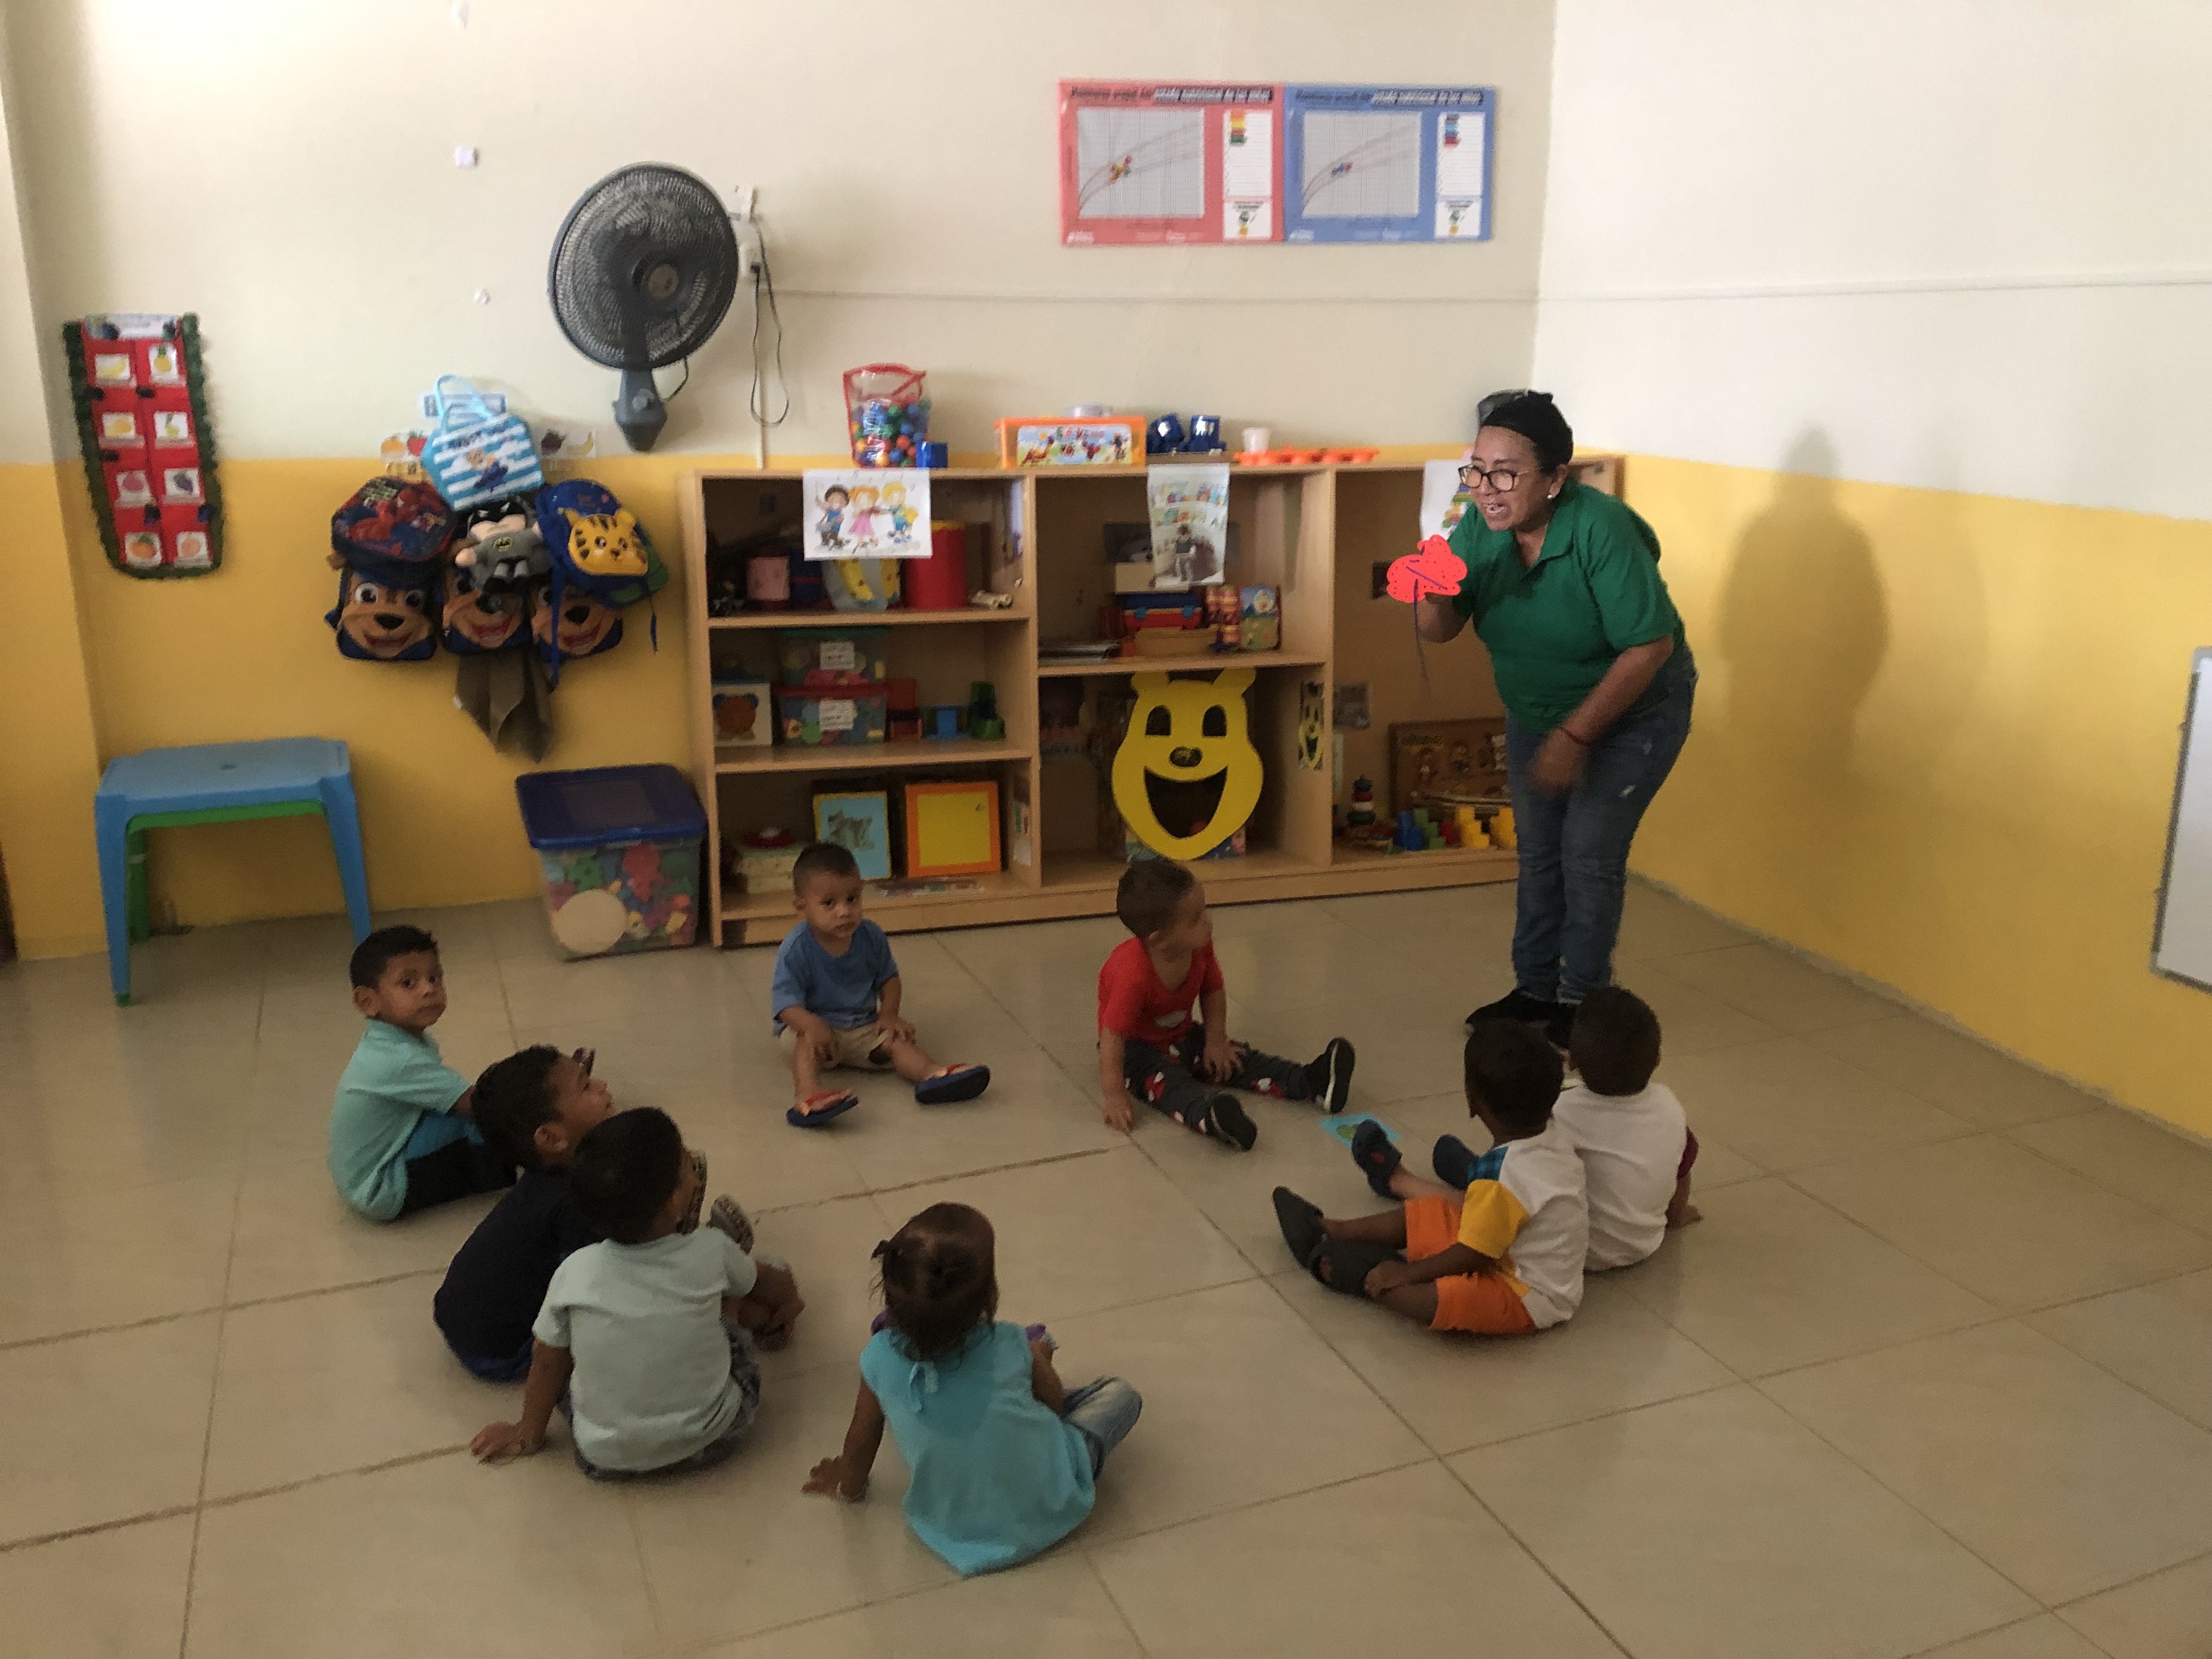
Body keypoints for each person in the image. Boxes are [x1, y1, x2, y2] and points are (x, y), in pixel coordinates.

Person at [1413, 391, 1697, 1049]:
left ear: (1555, 478)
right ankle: (1535, 990)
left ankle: (1582, 1002)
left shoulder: (1602, 528)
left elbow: (1648, 647)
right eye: (1476, 470)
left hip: (1635, 710)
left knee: (1588, 855)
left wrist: (1575, 736)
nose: (1485, 488)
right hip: (1537, 709)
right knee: (1540, 853)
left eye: (1505, 473)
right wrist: (1428, 590)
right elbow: (1440, 629)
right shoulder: (1477, 526)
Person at [802, 1203, 1141, 1576]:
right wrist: (1037, 1359)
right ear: (990, 1297)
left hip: (953, 1532)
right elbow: (1054, 1402)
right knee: (1120, 1394)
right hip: (1054, 1499)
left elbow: (863, 1437)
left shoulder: (877, 1358)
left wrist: (847, 1488)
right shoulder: (1010, 1342)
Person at [470, 1107, 804, 1480]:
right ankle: (738, 1301)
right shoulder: (711, 1249)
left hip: (603, 1457)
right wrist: (789, 1302)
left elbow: (547, 1359)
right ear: (674, 1202)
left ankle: (721, 1298)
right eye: (687, 1164)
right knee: (736, 1290)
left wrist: (527, 1434)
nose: (694, 1166)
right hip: (716, 1436)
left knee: (570, 1355)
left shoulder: (574, 1272)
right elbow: (768, 1283)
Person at [433, 1045, 747, 1380]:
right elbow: (605, 1289)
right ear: (552, 1138)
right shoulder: (581, 1203)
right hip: (505, 1349)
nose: (601, 1086)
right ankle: (690, 1244)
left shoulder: (547, 1178)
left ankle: (682, 1234)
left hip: (459, 1315)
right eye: (585, 1086)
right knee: (660, 1306)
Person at [1272, 1021, 1587, 1336]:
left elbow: (1474, 1254)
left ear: (1471, 1100)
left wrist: (1410, 1273)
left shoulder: (1500, 1178)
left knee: (1445, 1300)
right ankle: (1335, 1230)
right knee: (1432, 1211)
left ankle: (1362, 1274)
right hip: (1508, 1252)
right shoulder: (1553, 1137)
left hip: (1528, 1296)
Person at [1096, 859, 1355, 1149]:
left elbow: (1213, 991)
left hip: (1181, 1035)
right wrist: (1114, 1094)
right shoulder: (1132, 974)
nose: (1208, 922)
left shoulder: (1198, 946)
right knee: (1169, 1085)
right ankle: (1211, 1118)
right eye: (1196, 920)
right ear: (1160, 941)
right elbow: (1112, 1035)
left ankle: (1312, 1081)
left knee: (1236, 1058)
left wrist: (1215, 1041)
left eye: (1205, 910)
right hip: (1135, 1051)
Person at [1438, 986, 1699, 1267]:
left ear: (1571, 1060)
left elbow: (1522, 1162)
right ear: (1657, 1059)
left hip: (1572, 1248)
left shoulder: (1561, 1109)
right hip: (1644, 1244)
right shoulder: (1670, 1105)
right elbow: (1683, 1167)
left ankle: (1464, 1174)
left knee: (1481, 1168)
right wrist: (1677, 1216)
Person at [772, 843, 991, 1126]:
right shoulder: (796, 949)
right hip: (817, 1031)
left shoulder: (871, 936)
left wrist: (888, 1015)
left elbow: (889, 979)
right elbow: (786, 1005)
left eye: (852, 899)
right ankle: (807, 1094)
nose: (844, 911)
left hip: (863, 1027)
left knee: (897, 1040)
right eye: (829, 904)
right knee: (803, 1043)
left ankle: (933, 1075)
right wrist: (812, 1025)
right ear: (802, 907)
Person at [327, 925, 511, 1222]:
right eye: (408, 983)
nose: (429, 989)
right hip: (380, 1185)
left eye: (435, 978)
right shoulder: (400, 1060)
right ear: (368, 1001)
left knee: (463, 1112)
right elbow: (475, 1103)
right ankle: (504, 1172)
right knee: (476, 1122)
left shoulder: (390, 1040)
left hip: (357, 1173)